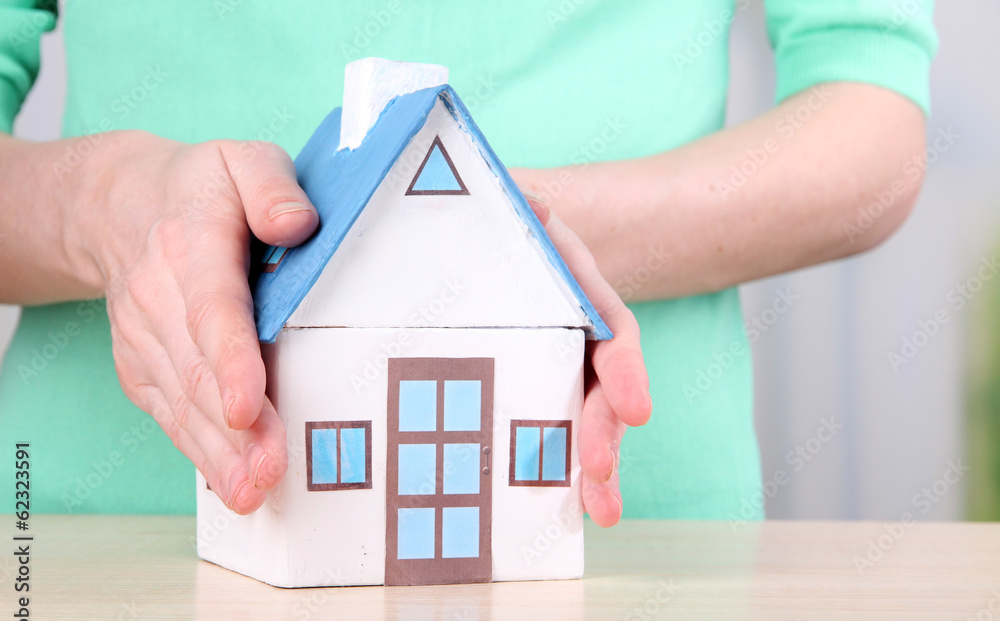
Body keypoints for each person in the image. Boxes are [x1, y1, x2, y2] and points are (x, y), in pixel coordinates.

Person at [0, 2, 936, 523]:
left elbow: (872, 122)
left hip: (629, 558)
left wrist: (495, 230)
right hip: (85, 555)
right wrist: (106, 207)